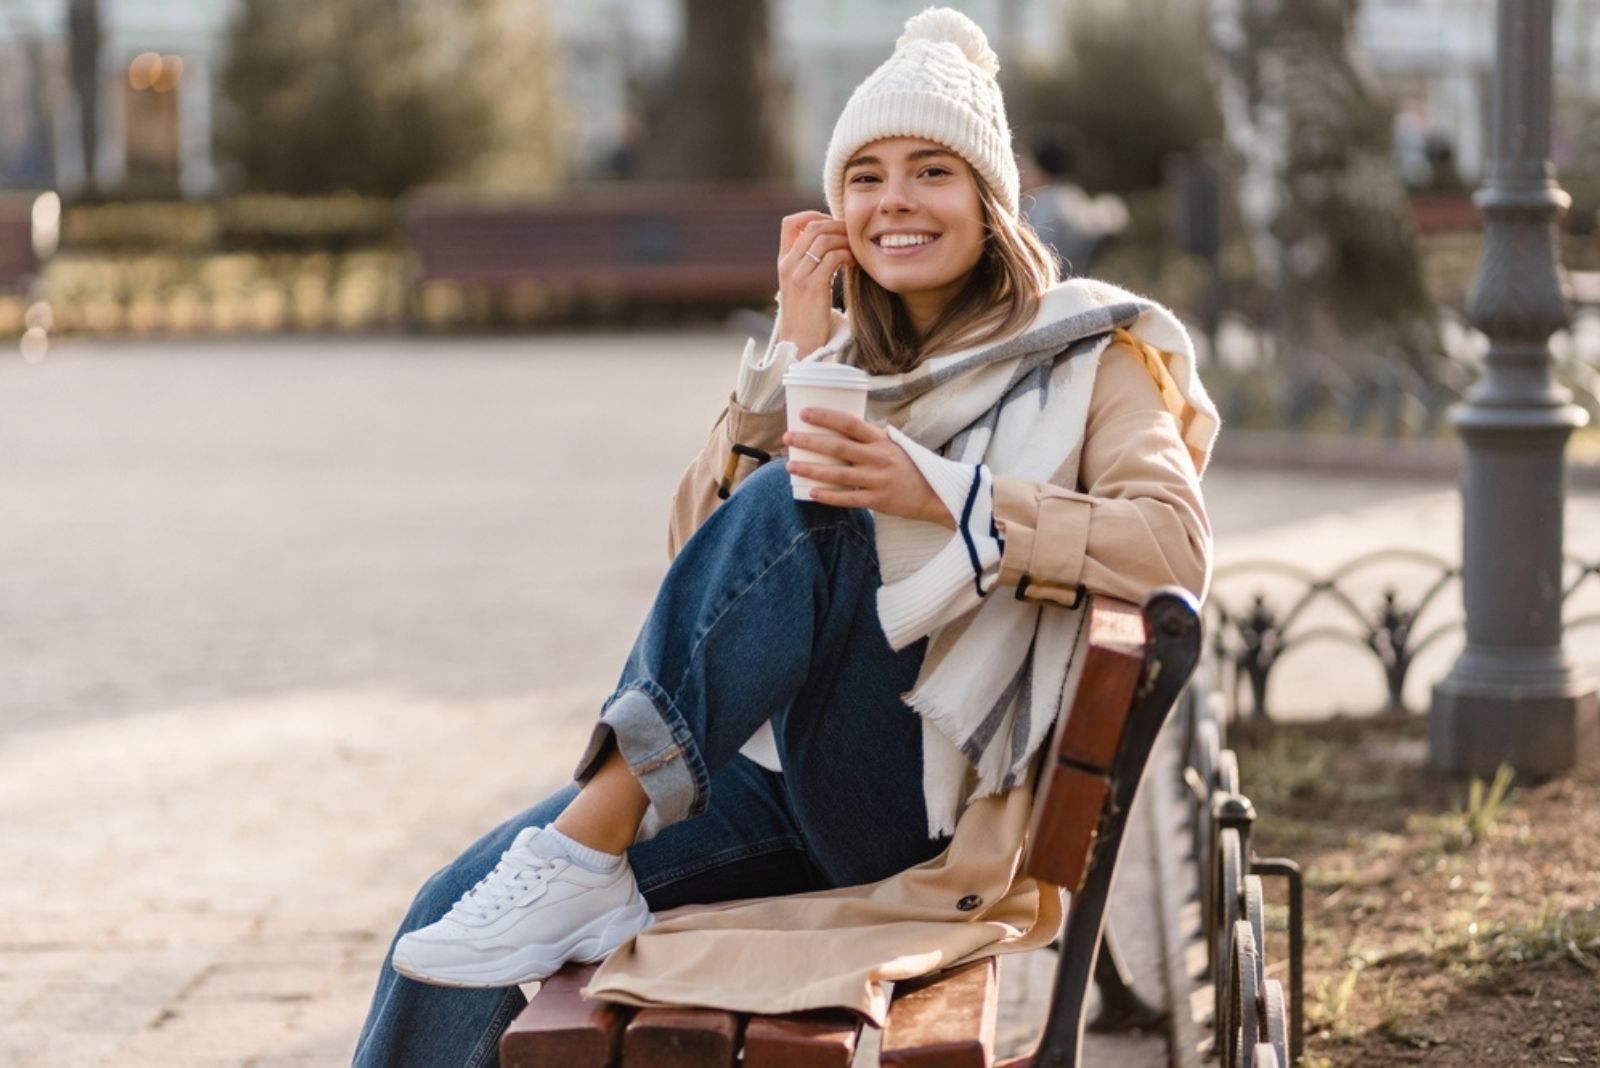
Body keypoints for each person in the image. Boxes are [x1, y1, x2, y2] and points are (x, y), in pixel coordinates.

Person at [353, 9, 1216, 1066]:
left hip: (918, 801)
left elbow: (1173, 550)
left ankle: (589, 839)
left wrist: (949, 494)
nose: (894, 199)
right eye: (865, 176)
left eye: (931, 171)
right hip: (771, 775)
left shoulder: (1091, 355)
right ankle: (580, 851)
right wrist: (787, 364)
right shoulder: (838, 357)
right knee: (451, 914)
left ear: (990, 205)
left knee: (814, 495)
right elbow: (704, 575)